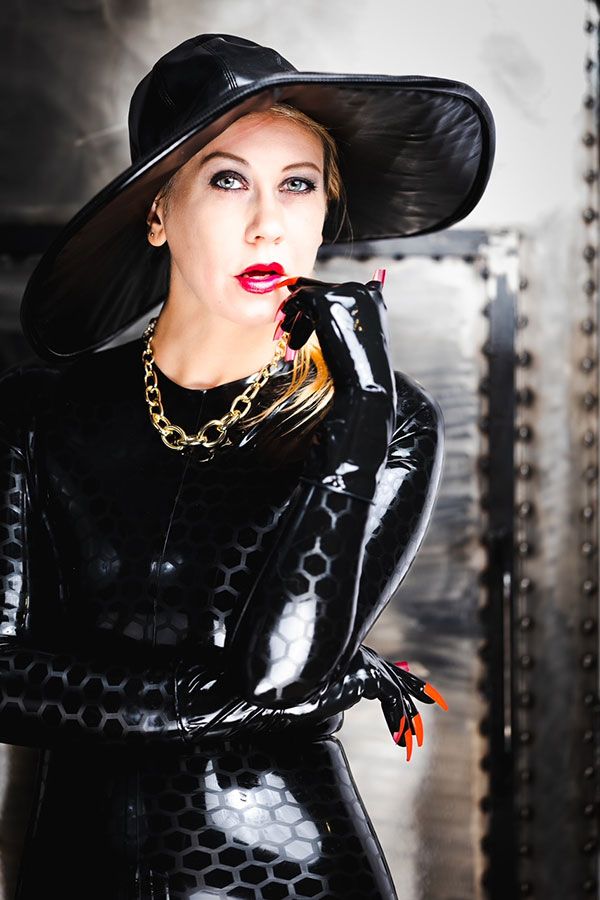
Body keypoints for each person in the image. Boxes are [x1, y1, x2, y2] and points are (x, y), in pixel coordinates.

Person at [2, 34, 494, 900]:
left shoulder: (389, 422)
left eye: (297, 185)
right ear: (159, 212)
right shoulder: (38, 414)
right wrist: (239, 697)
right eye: (228, 180)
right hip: (76, 867)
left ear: (324, 213)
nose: (268, 222)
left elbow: (280, 674)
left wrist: (361, 412)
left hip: (292, 872)